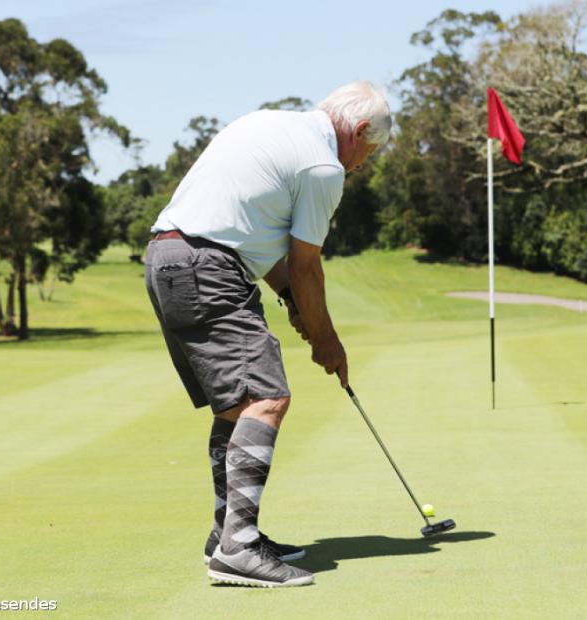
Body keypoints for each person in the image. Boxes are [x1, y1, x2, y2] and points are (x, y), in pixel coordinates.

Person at [144, 81, 392, 587]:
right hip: (209, 267)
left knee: (237, 404)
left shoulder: (267, 123)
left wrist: (296, 306)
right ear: (361, 130)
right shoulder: (323, 167)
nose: (362, 165)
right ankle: (239, 547)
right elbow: (306, 267)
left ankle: (228, 533)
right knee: (266, 397)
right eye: (369, 152)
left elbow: (265, 250)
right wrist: (328, 341)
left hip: (168, 259)